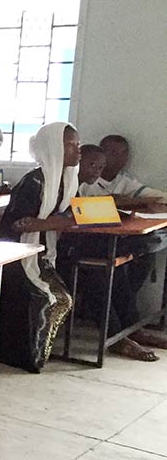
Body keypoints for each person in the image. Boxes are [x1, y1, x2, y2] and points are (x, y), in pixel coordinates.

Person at [57, 144, 167, 360]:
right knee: (97, 274)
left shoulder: (77, 185)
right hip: (61, 253)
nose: (97, 171)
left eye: (100, 167)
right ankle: (116, 337)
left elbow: (87, 213)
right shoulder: (63, 184)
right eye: (92, 165)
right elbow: (72, 215)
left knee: (113, 268)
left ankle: (133, 329)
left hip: (84, 245)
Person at [0, 122, 78, 372]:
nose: (78, 150)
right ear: (53, 148)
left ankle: (37, 351)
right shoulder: (33, 182)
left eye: (78, 145)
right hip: (19, 253)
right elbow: (14, 225)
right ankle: (26, 356)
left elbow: (69, 213)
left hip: (44, 254)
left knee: (62, 298)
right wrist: (54, 222)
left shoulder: (66, 179)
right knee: (51, 298)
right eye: (70, 145)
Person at [90, 135, 167, 208]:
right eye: (114, 153)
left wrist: (130, 201)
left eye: (124, 153)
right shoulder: (87, 179)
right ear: (101, 153)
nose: (120, 158)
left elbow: (158, 196)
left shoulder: (124, 181)